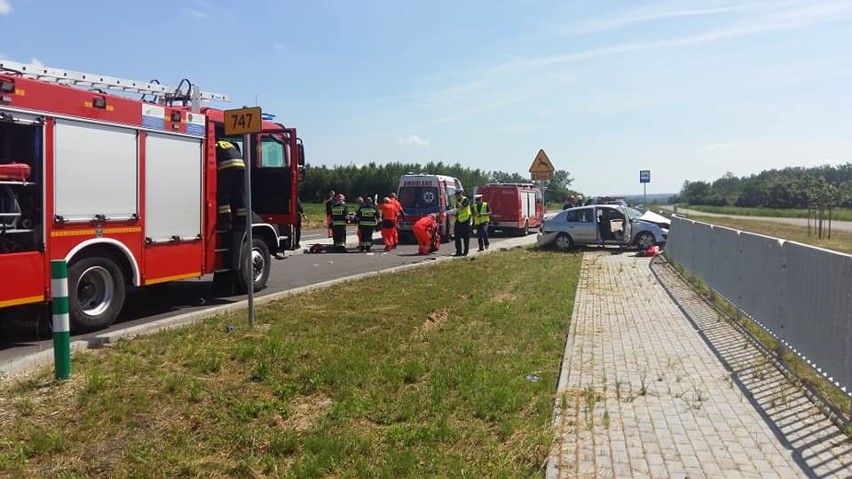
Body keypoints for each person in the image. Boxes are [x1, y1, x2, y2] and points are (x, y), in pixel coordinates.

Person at [215, 140, 246, 231]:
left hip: (227, 165)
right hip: (240, 165)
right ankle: (242, 222)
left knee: (224, 194)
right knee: (238, 193)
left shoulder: (215, 144)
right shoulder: (228, 144)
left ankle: (225, 222)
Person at [453, 189, 472, 256]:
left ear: (461, 193)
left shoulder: (465, 199)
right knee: (457, 236)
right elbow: (457, 210)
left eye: (458, 194)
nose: (457, 195)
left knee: (465, 237)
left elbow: (462, 207)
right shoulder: (456, 201)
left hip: (465, 220)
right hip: (458, 220)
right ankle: (458, 252)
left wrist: (458, 203)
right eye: (456, 194)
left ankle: (465, 251)